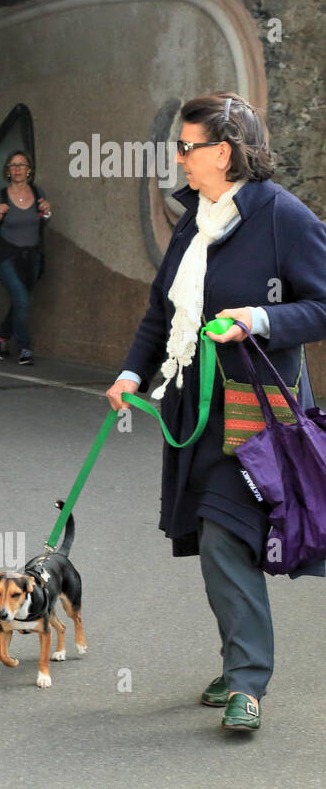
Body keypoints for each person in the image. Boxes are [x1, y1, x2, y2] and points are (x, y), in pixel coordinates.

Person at [105, 92, 326, 733]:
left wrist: (258, 318)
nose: (177, 156)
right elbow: (163, 310)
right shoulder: (194, 217)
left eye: (185, 145)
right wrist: (129, 373)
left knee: (225, 531)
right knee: (207, 537)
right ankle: (237, 664)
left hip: (255, 412)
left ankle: (248, 682)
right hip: (191, 407)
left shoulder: (280, 215)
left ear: (221, 152)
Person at [0, 151, 51, 366]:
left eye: (22, 165)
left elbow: (41, 223)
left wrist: (47, 213)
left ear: (29, 170)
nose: (18, 169)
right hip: (7, 256)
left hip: (32, 257)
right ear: (7, 171)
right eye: (13, 165)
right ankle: (25, 348)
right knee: (21, 300)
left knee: (19, 303)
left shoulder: (38, 192)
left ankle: (1, 336)